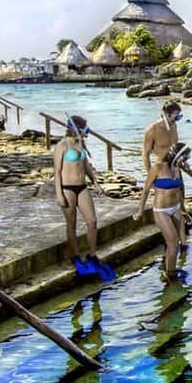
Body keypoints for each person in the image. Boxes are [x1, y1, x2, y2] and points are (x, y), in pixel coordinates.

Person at [53, 114, 115, 280]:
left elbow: (85, 165)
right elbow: (57, 172)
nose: (88, 130)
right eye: (85, 128)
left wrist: (95, 182)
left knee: (92, 221)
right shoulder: (62, 145)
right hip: (67, 188)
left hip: (82, 187)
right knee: (71, 223)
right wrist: (59, 194)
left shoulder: (81, 144)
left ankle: (92, 255)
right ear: (76, 128)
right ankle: (76, 256)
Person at [134, 142, 192, 280]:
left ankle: (168, 268)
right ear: (176, 156)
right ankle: (170, 276)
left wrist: (183, 210)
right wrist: (140, 211)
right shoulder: (158, 168)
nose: (185, 161)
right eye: (184, 158)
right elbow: (146, 190)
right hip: (162, 210)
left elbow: (178, 191)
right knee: (172, 243)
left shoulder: (178, 169)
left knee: (176, 242)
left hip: (176, 208)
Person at [142, 101, 182, 172]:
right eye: (176, 115)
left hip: (175, 170)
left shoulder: (174, 126)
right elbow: (145, 155)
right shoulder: (152, 129)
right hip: (161, 170)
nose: (178, 118)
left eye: (179, 114)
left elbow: (175, 149)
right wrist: (150, 175)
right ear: (167, 114)